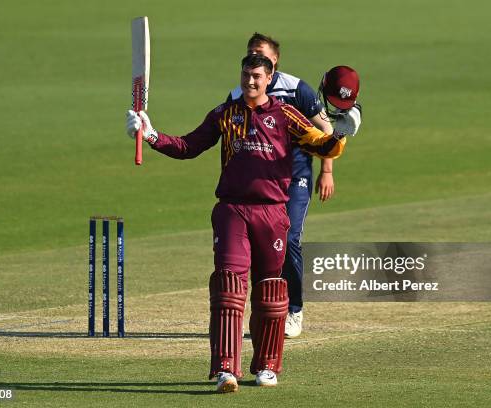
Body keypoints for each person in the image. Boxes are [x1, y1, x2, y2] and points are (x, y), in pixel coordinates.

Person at [125, 54, 357, 393]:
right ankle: (225, 371)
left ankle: (267, 366)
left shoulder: (285, 114)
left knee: (271, 292)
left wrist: (341, 134)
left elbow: (323, 147)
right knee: (228, 288)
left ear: (270, 77)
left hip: (273, 213)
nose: (251, 82)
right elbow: (189, 146)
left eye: (258, 77)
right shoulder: (226, 113)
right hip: (233, 211)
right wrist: (151, 134)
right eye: (247, 75)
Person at [227, 33, 362, 338]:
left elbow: (325, 130)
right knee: (258, 249)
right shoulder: (237, 95)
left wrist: (327, 170)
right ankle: (264, 311)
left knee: (289, 240)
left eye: (260, 53)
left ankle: (294, 311)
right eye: (250, 53)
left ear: (274, 61)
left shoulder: (296, 89)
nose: (253, 58)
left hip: (296, 178)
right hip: (258, 184)